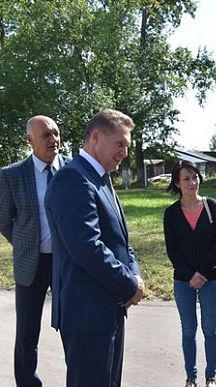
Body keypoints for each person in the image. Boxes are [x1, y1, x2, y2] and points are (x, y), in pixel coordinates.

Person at [44, 109, 144, 387]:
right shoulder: (73, 179)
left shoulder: (99, 177)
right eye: (120, 143)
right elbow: (87, 246)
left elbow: (120, 240)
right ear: (96, 137)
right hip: (87, 314)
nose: (124, 151)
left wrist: (134, 276)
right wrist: (129, 284)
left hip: (108, 307)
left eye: (127, 145)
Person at [0, 115, 67, 387]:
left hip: (66, 263)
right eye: (46, 135)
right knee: (27, 333)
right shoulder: (11, 175)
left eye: (56, 133)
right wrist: (26, 242)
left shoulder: (72, 171)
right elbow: (4, 219)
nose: (53, 140)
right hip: (31, 264)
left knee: (74, 329)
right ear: (30, 141)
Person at [163, 160, 216, 387]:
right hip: (183, 281)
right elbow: (172, 251)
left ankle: (211, 377)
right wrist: (190, 275)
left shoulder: (211, 207)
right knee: (188, 329)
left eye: (195, 176)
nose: (192, 182)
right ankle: (191, 376)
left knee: (210, 328)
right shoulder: (171, 214)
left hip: (210, 279)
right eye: (186, 178)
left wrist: (202, 273)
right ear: (177, 183)